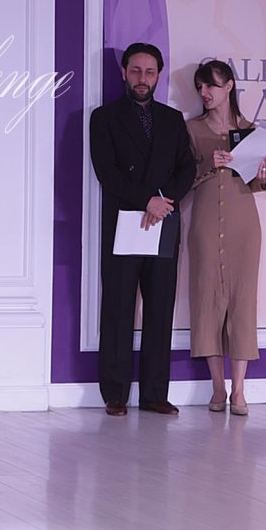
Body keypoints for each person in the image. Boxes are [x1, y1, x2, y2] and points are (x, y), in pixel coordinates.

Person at [89, 42, 196, 417]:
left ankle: (154, 394)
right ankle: (115, 395)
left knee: (160, 309)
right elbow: (107, 171)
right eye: (136, 70)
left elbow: (187, 168)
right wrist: (146, 200)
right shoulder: (104, 117)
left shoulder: (172, 119)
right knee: (118, 308)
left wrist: (163, 200)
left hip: (163, 220)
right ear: (124, 72)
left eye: (150, 72)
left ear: (158, 75)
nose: (142, 78)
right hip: (124, 221)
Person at [187, 60, 266, 416]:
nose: (204, 93)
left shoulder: (252, 131)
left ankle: (239, 390)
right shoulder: (191, 129)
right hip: (205, 224)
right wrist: (209, 164)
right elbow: (181, 179)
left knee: (242, 302)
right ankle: (217, 387)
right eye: (200, 87)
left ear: (229, 86)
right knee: (206, 299)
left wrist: (264, 177)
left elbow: (254, 182)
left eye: (210, 85)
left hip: (243, 226)